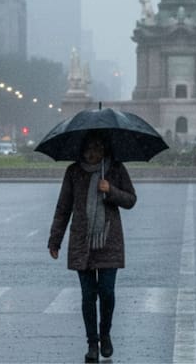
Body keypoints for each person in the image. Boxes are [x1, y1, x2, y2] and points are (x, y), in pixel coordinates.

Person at [48, 131, 137, 363]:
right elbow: (63, 207)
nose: (92, 153)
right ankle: (92, 343)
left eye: (97, 148)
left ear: (104, 149)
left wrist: (111, 191)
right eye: (88, 149)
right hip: (82, 241)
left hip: (109, 241)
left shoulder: (115, 169)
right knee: (88, 296)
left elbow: (131, 200)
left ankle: (105, 333)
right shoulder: (74, 172)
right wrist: (54, 240)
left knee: (106, 293)